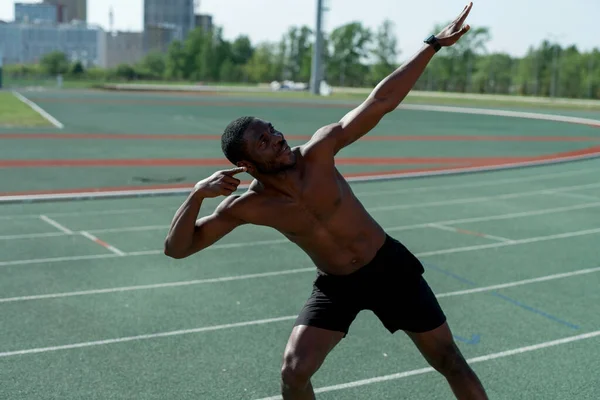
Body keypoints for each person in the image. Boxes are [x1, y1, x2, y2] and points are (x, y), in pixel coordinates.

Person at [164, 3, 487, 399]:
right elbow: (178, 249)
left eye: (273, 130)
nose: (278, 138)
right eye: (264, 141)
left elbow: (380, 101)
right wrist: (197, 194)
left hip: (388, 267)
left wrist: (433, 45)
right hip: (337, 284)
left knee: (450, 360)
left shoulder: (319, 151)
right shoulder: (247, 206)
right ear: (246, 164)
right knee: (294, 371)